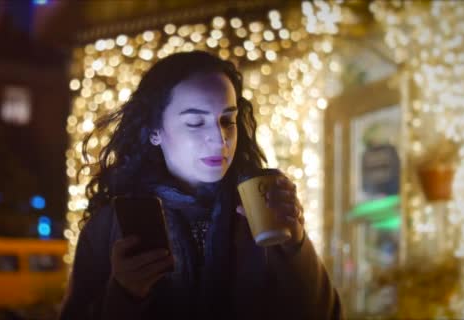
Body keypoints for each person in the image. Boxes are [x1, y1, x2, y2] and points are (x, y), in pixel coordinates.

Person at [59, 51, 342, 320]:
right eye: (195, 122)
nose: (219, 139)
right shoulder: (111, 226)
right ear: (155, 130)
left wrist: (296, 246)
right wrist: (124, 295)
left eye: (227, 120)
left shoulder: (261, 211)